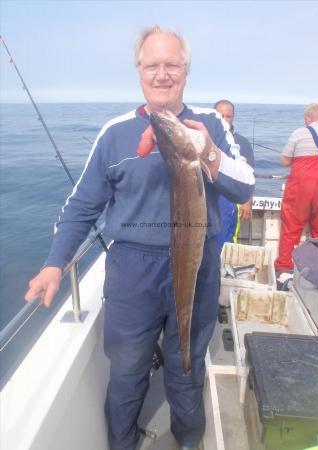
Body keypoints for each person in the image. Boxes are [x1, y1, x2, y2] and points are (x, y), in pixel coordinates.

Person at [24, 26, 255, 450]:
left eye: (172, 64)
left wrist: (206, 150)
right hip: (132, 271)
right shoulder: (115, 132)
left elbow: (245, 186)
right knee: (127, 370)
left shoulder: (211, 123)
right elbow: (82, 205)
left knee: (187, 367)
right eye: (152, 65)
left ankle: (188, 441)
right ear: (139, 71)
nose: (162, 74)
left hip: (196, 263)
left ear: (186, 70)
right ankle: (123, 444)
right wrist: (56, 262)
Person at [274, 103, 318, 273]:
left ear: (308, 118)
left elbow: (285, 161)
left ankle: (284, 267)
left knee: (291, 226)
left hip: (301, 187)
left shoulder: (300, 133)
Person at [214, 99, 255, 247]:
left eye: (228, 116)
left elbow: (249, 176)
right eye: (221, 115)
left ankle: (224, 269)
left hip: (230, 201)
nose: (224, 119)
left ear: (233, 117)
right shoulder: (204, 138)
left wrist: (247, 201)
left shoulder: (242, 142)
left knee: (226, 242)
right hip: (207, 199)